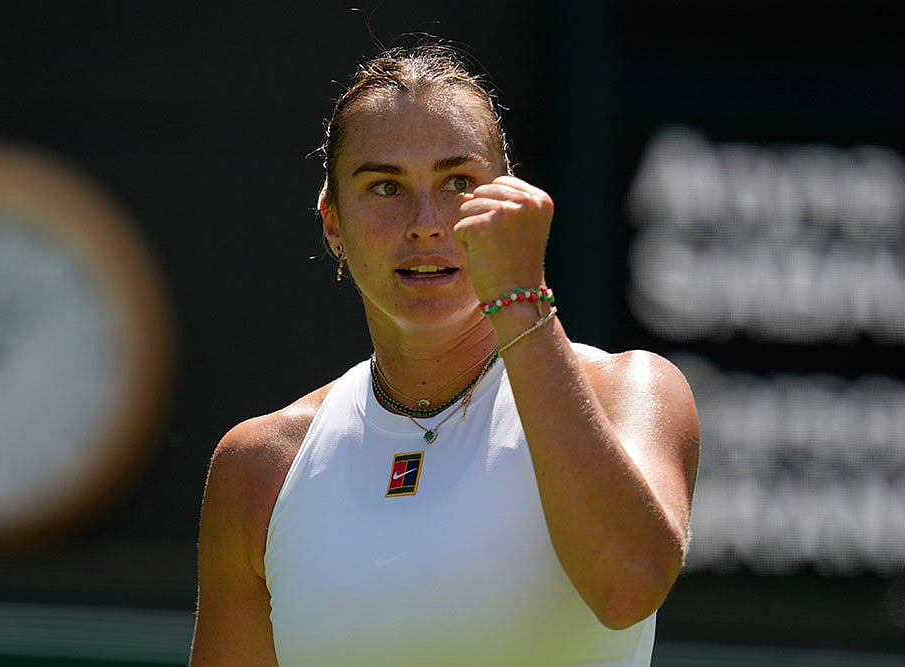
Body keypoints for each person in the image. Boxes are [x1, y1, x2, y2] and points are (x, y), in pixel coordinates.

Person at [190, 42, 699, 666]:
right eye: (385, 186)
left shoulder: (633, 389)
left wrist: (517, 298)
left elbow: (627, 587)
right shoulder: (257, 466)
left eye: (458, 182)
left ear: (510, 204)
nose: (426, 221)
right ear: (332, 221)